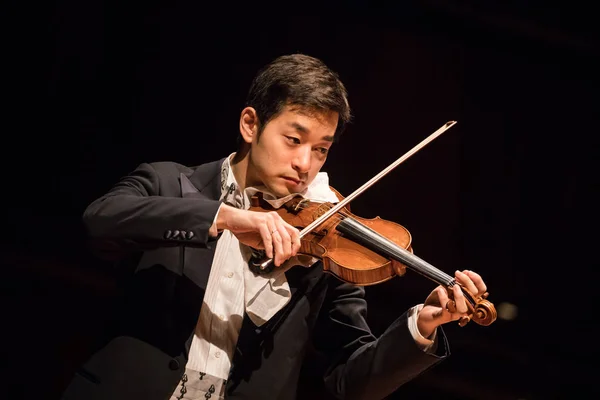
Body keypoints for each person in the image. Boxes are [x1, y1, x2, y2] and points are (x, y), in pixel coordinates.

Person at [60, 54, 489, 400]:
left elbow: (350, 380)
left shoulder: (323, 241)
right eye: (293, 139)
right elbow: (101, 220)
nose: (305, 164)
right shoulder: (170, 183)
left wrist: (423, 325)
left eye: (321, 149)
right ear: (251, 125)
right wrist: (223, 218)